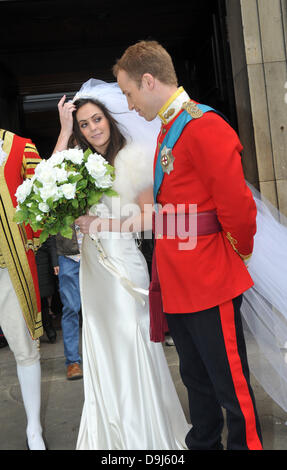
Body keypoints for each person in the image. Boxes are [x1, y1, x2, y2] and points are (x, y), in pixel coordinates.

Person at [113, 40, 263, 451]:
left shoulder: (204, 124)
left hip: (210, 277)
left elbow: (237, 207)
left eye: (128, 93)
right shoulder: (168, 127)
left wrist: (238, 254)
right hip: (179, 283)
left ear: (148, 80)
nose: (127, 104)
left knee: (231, 387)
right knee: (197, 386)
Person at [54, 80, 190, 450]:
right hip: (93, 270)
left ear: (109, 119)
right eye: (84, 124)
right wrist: (64, 132)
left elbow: (150, 217)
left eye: (97, 119)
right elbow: (48, 187)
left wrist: (102, 224)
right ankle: (109, 436)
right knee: (102, 345)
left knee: (131, 344)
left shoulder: (131, 156)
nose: (92, 128)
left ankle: (144, 435)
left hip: (123, 265)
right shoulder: (80, 163)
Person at [0, 128, 46, 450]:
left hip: (9, 268)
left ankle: (34, 429)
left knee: (25, 350)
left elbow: (42, 199)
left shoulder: (19, 147)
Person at [55, 227, 83, 380]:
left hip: (96, 253)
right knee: (71, 308)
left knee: (99, 307)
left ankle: (102, 356)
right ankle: (72, 362)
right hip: (67, 256)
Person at [36, 236, 58, 343]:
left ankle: (48, 326)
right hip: (22, 260)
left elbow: (50, 241)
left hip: (41, 259)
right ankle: (34, 333)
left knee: (41, 295)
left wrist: (55, 262)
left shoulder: (42, 219)